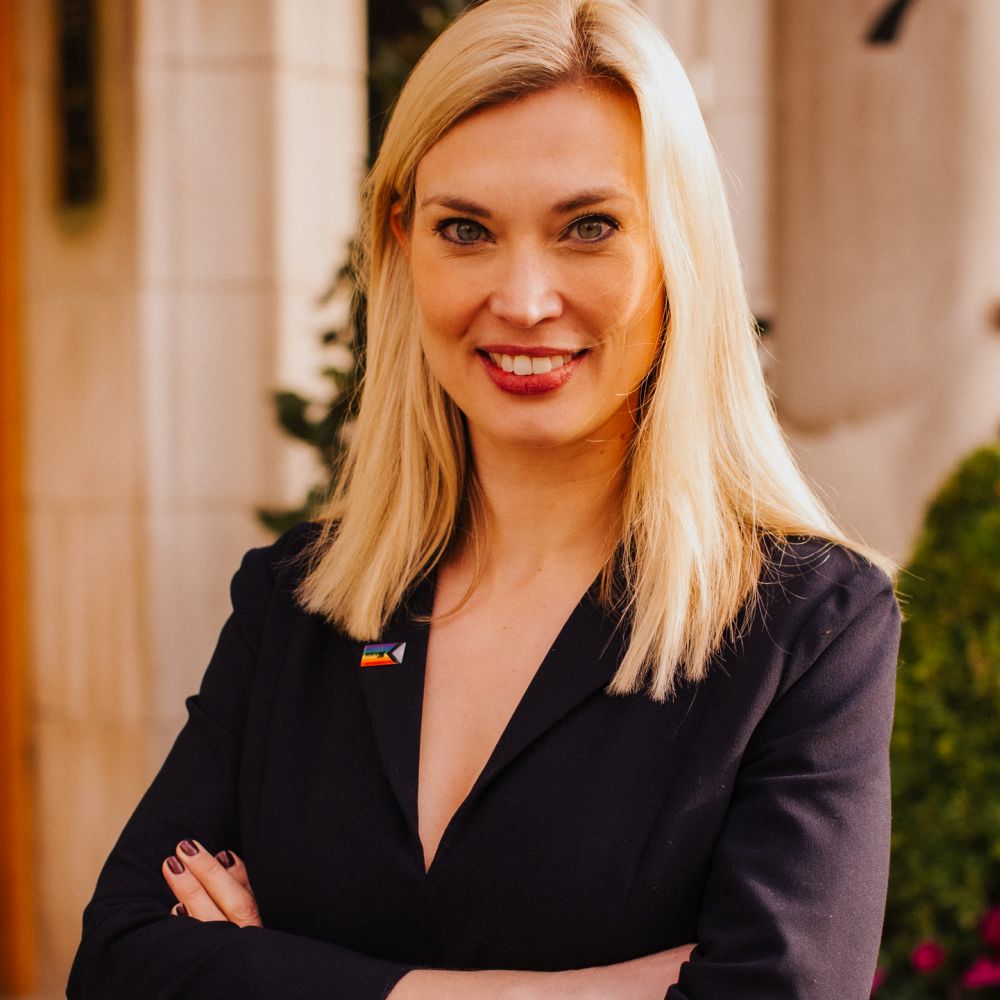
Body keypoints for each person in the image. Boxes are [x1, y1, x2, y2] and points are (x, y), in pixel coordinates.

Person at [68, 1, 900, 997]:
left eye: (587, 228)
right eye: (465, 230)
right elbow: (120, 964)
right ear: (401, 244)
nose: (523, 297)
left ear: (680, 248)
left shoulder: (803, 624)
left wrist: (267, 966)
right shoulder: (295, 601)